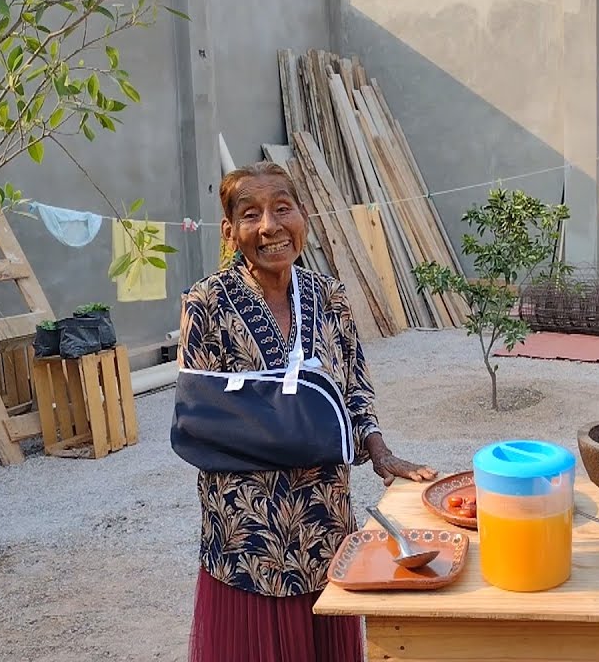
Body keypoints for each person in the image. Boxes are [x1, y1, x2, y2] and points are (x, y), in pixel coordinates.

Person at [179, 160, 438, 661]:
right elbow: (202, 420)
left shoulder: (329, 297)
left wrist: (379, 452)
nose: (270, 226)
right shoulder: (206, 302)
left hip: (323, 519)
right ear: (230, 232)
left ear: (304, 216)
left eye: (282, 208)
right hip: (247, 532)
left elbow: (354, 392)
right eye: (251, 214)